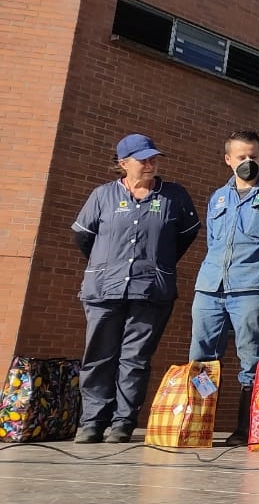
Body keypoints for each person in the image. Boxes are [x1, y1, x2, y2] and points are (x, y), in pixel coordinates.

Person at [70, 133, 200, 443]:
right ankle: (92, 422)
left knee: (135, 359)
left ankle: (122, 423)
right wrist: (107, 264)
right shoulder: (102, 195)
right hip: (104, 289)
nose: (150, 163)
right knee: (99, 357)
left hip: (151, 291)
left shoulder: (174, 197)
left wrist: (156, 264)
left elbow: (185, 237)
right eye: (143, 159)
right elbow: (82, 238)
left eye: (153, 158)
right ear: (123, 163)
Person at [189, 130, 259, 446]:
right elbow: (212, 242)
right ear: (228, 160)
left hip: (252, 289)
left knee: (252, 359)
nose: (248, 162)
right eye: (241, 157)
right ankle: (197, 426)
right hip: (210, 287)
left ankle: (246, 430)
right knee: (202, 359)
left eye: (254, 156)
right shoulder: (217, 198)